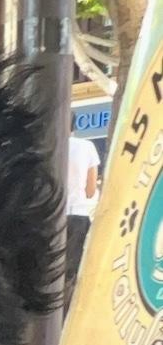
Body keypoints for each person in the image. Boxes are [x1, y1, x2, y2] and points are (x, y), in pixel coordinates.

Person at [65, 132, 100, 311]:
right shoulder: (87, 147)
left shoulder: (46, 144)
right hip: (77, 214)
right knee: (71, 271)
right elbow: (90, 190)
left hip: (49, 216)